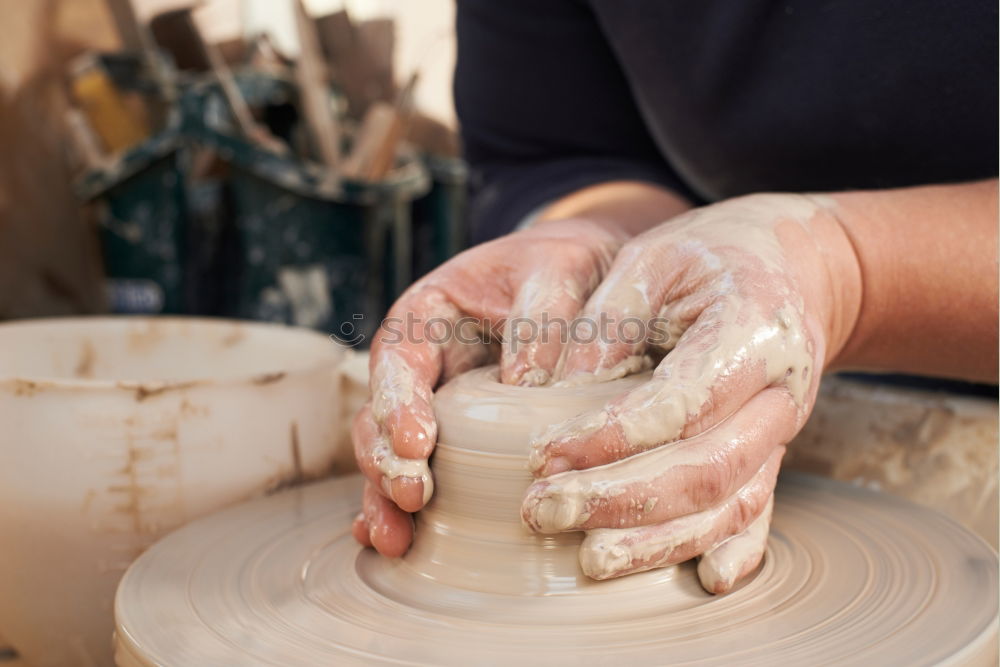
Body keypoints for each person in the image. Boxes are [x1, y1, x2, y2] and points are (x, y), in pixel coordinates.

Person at [351, 0, 999, 593]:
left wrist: (848, 272)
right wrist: (598, 242)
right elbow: (557, 145)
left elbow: (839, 273)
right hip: (743, 321)